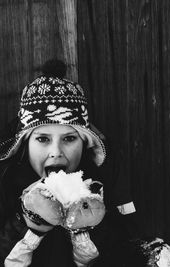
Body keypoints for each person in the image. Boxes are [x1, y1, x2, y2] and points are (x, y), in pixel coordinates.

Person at [0, 59, 139, 267]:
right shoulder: (6, 184)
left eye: (69, 139)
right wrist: (27, 226)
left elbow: (124, 250)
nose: (55, 152)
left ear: (84, 143)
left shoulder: (104, 182)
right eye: (43, 139)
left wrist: (90, 231)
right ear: (25, 144)